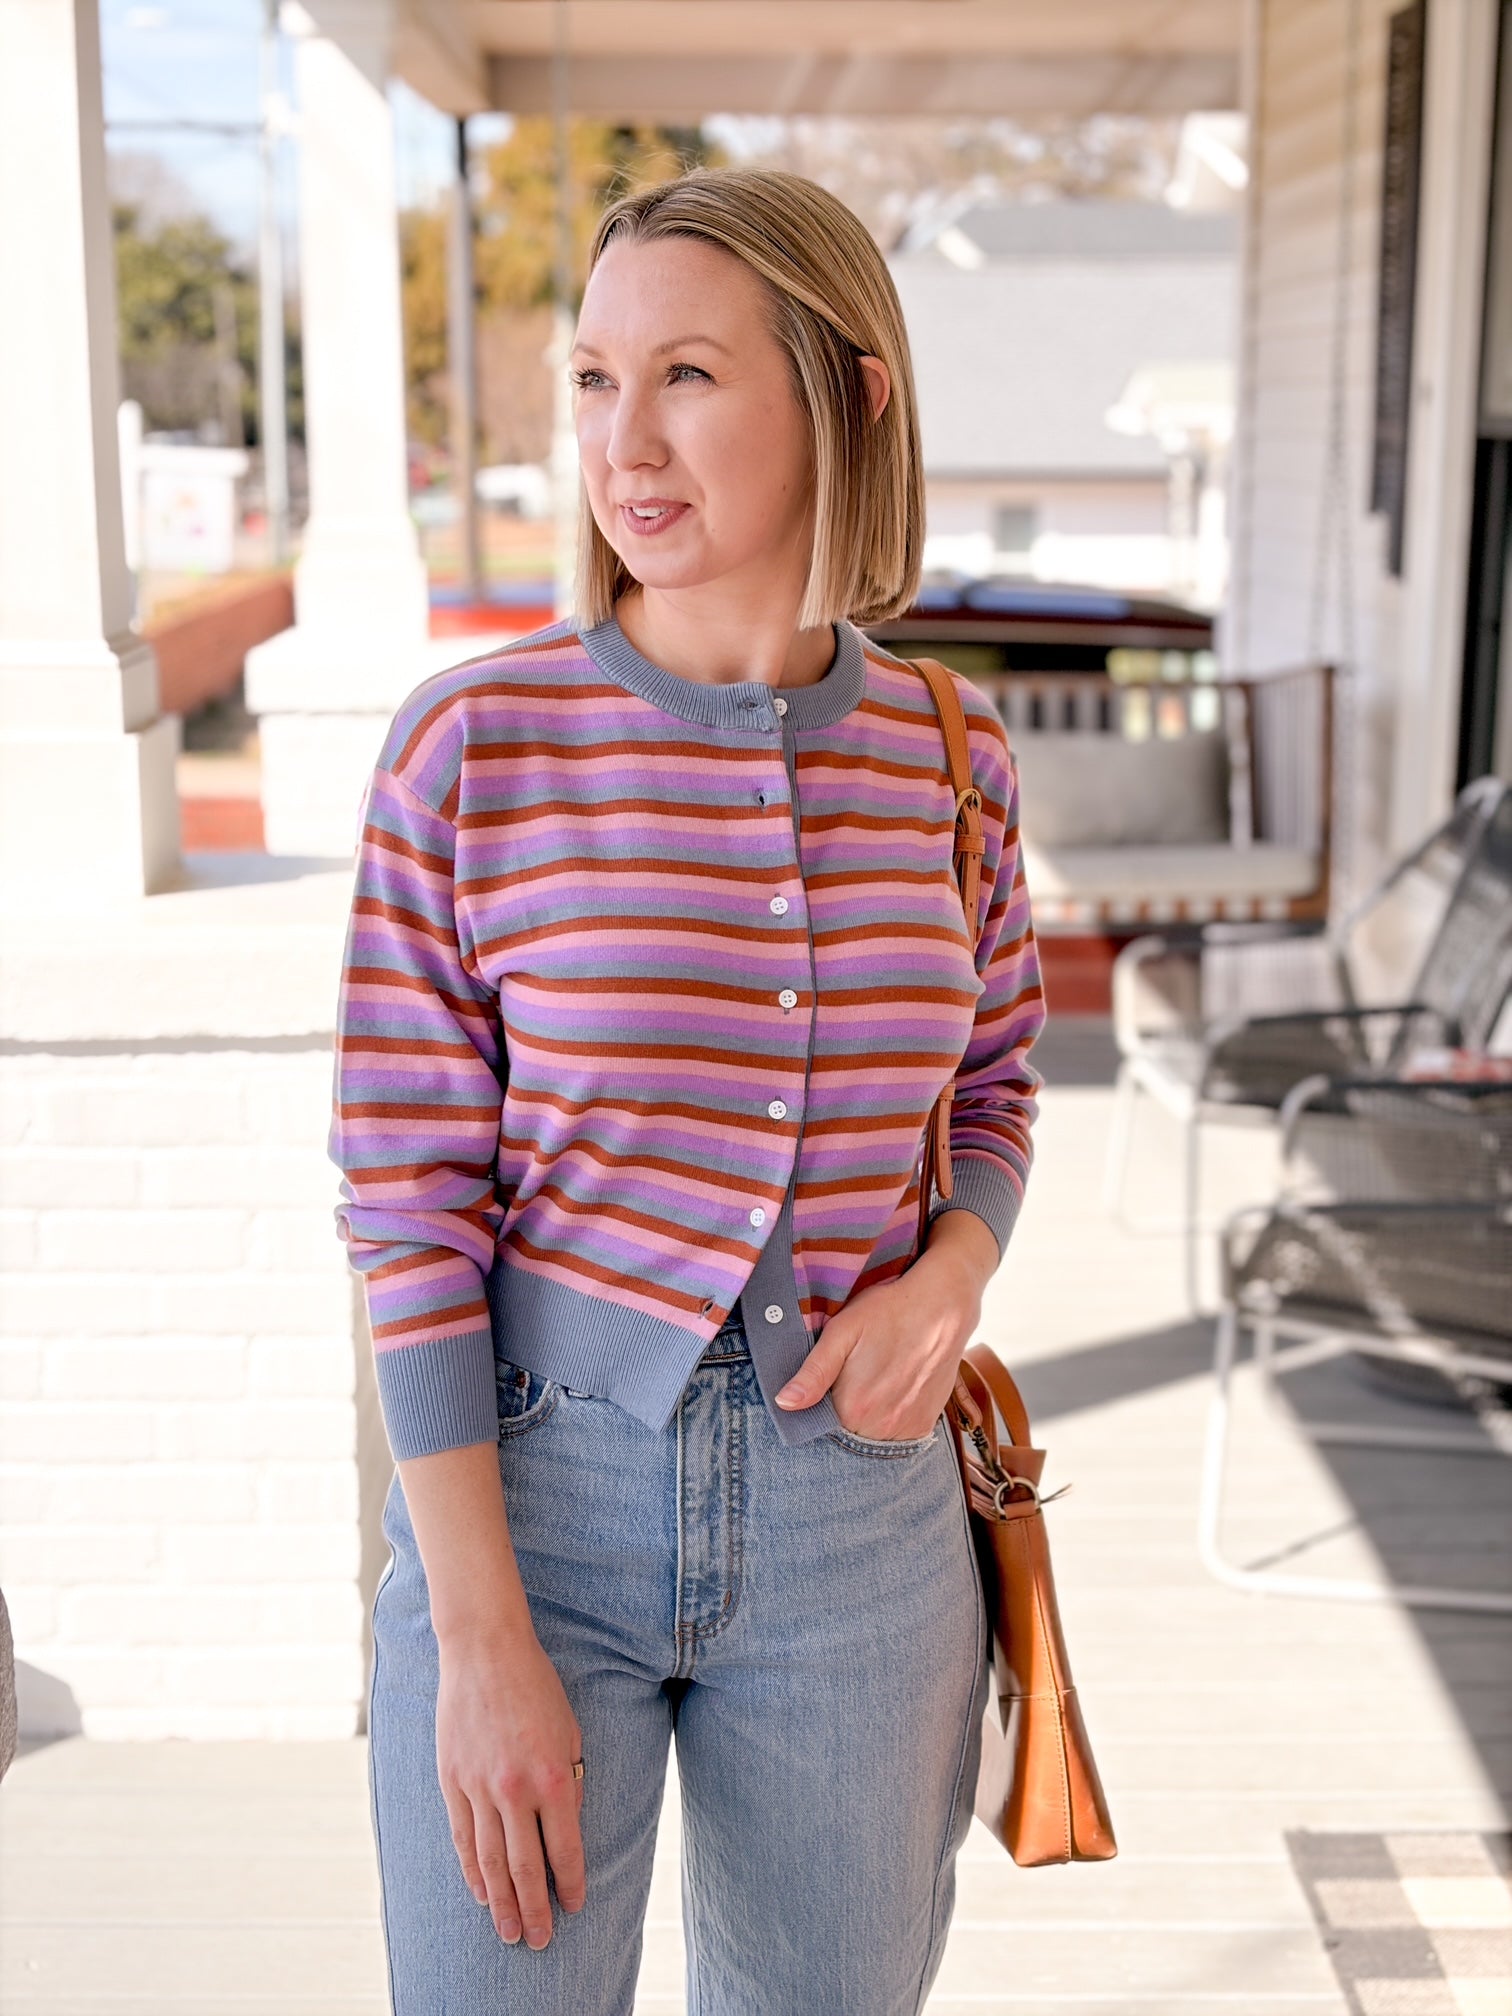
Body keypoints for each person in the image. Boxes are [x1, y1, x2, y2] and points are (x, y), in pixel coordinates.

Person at [329, 164, 1045, 2015]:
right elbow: (408, 1210)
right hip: (532, 1506)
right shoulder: (472, 752)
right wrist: (473, 1629)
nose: (622, 442)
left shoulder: (958, 758)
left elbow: (998, 1086)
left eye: (689, 378)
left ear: (847, 397)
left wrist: (953, 1277)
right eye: (590, 380)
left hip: (864, 1531)